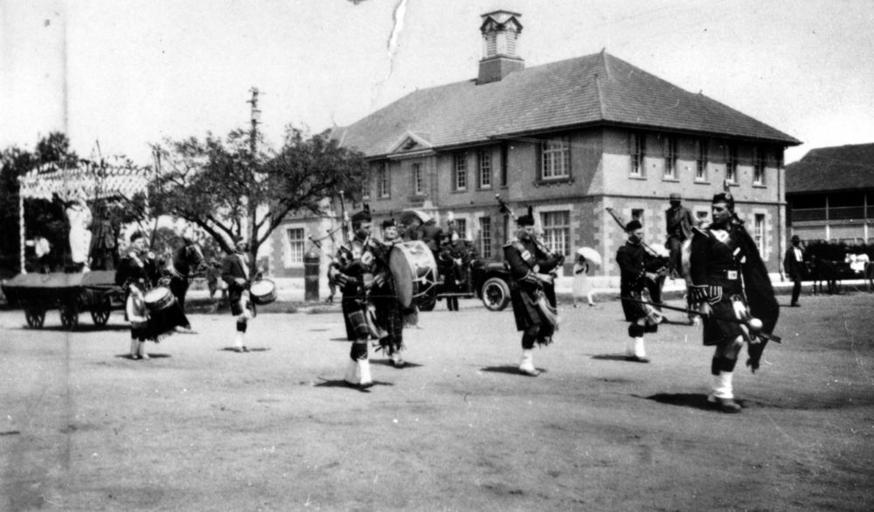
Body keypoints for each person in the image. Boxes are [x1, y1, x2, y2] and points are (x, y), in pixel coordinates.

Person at [689, 192, 779, 413]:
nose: (714, 212)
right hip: (715, 294)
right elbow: (698, 270)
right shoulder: (703, 235)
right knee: (736, 340)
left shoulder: (738, 235)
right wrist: (703, 302)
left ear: (730, 210)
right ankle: (725, 395)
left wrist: (754, 296)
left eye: (719, 209)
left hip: (735, 295)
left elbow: (750, 265)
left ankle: (715, 393)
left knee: (724, 344)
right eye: (713, 208)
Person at [503, 207, 563, 376]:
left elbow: (538, 265)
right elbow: (519, 270)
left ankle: (526, 361)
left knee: (540, 324)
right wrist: (541, 278)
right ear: (519, 228)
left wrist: (554, 261)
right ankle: (525, 362)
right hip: (521, 289)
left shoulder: (533, 244)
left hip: (535, 290)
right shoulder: (511, 247)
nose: (530, 232)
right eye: (527, 229)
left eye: (531, 229)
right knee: (532, 326)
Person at [329, 207, 384, 388]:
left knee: (360, 337)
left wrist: (377, 279)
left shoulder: (374, 247)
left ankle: (349, 376)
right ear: (356, 228)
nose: (370, 229)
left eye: (370, 226)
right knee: (362, 334)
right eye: (366, 227)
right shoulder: (346, 248)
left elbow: (385, 267)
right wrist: (350, 268)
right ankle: (366, 376)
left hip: (368, 298)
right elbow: (333, 271)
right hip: (351, 297)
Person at [616, 220, 662, 363]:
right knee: (640, 318)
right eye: (638, 233)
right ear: (630, 233)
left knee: (639, 320)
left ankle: (630, 351)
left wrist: (661, 259)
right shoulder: (623, 251)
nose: (641, 236)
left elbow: (648, 264)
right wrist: (646, 274)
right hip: (629, 291)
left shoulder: (641, 248)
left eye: (642, 233)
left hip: (641, 291)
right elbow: (629, 271)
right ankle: (639, 353)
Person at [115, 231, 159, 360]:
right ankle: (133, 351)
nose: (141, 244)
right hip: (133, 294)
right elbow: (119, 278)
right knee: (136, 324)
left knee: (145, 323)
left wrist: (158, 263)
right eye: (139, 242)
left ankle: (142, 351)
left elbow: (154, 275)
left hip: (145, 293)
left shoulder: (148, 258)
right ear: (133, 243)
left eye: (142, 242)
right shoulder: (127, 259)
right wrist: (129, 286)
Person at [371, 218, 408, 367]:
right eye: (389, 229)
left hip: (397, 287)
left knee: (396, 320)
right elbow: (383, 260)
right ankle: (389, 347)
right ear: (383, 231)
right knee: (383, 320)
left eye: (394, 229)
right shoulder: (378, 247)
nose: (392, 232)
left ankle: (396, 350)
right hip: (381, 288)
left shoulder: (400, 246)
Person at [221, 239, 256, 353]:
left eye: (244, 244)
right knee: (243, 315)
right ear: (235, 246)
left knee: (245, 318)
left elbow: (250, 274)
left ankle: (241, 343)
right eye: (240, 244)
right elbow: (225, 275)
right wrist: (236, 281)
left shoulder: (248, 258)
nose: (242, 246)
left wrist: (256, 277)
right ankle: (237, 344)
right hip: (236, 291)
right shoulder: (229, 258)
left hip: (247, 291)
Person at [665, 192, 694, 278]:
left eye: (676, 202)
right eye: (673, 202)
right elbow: (669, 226)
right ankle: (672, 271)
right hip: (674, 236)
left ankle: (687, 274)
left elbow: (693, 223)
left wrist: (691, 234)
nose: (674, 204)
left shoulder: (686, 211)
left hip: (686, 236)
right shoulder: (669, 212)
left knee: (687, 255)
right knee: (675, 251)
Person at [66, 196, 93, 272]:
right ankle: (80, 268)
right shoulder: (69, 210)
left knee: (87, 254)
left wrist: (85, 208)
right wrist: (80, 211)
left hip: (85, 233)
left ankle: (86, 267)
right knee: (78, 255)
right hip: (76, 234)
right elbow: (72, 221)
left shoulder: (85, 209)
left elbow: (90, 220)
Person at [783, 235, 805, 307]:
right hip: (794, 270)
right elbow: (786, 261)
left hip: (800, 270)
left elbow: (803, 259)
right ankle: (794, 301)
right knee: (798, 284)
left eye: (798, 242)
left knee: (798, 285)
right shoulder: (790, 251)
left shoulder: (800, 250)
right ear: (793, 242)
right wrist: (787, 271)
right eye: (796, 242)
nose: (797, 243)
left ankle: (795, 300)